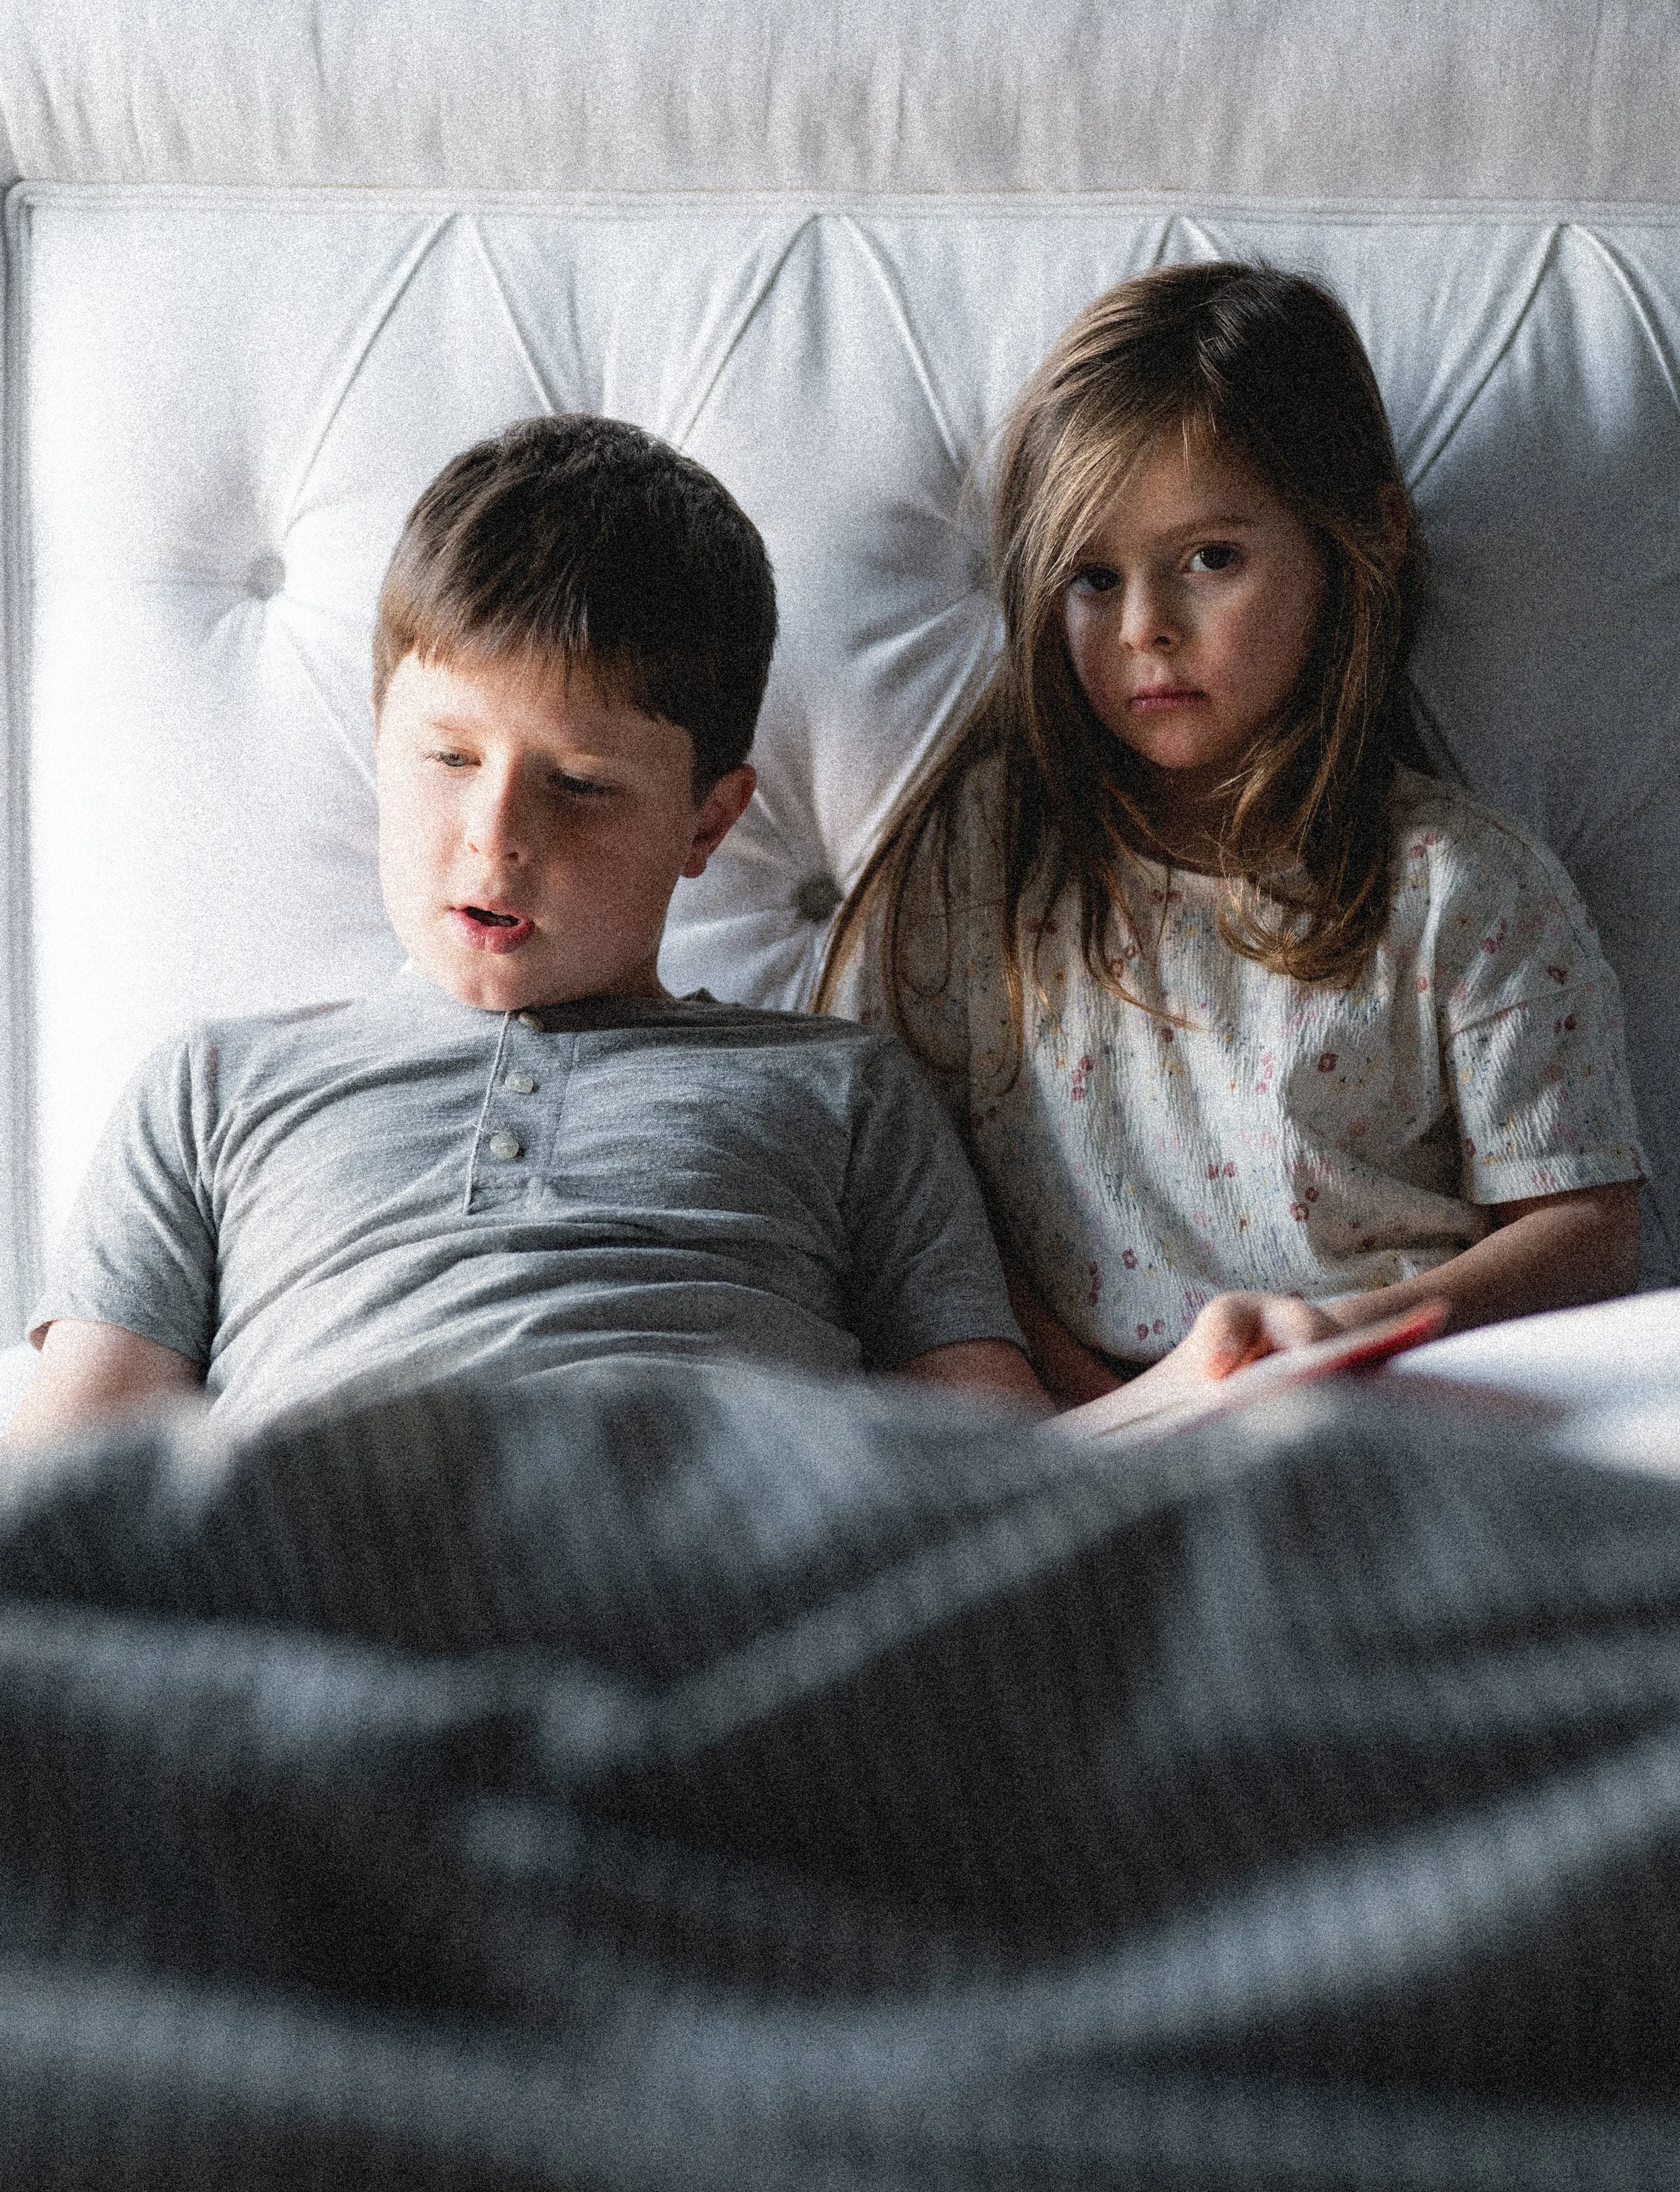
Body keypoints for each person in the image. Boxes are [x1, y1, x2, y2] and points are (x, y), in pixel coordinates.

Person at [8, 413, 1306, 1450]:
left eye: (580, 785)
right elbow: (75, 1506)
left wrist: (1194, 1386)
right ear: (379, 745)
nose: (497, 834)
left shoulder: (841, 1090)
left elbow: (1001, 1481)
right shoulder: (213, 1090)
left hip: (722, 1590)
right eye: (450, 756)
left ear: (707, 820)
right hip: (342, 1579)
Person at [819, 265, 1646, 1405]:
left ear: (1362, 538)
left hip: (1389, 1406)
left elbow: (1589, 1234)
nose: (1147, 629)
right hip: (1076, 1430)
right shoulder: (983, 861)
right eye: (1094, 577)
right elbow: (902, 1188)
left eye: (1211, 558)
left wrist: (1349, 1337)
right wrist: (1105, 1403)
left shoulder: (1468, 891)